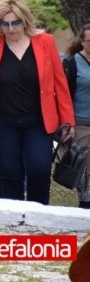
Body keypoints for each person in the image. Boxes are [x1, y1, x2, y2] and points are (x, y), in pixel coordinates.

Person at [0, 0, 75, 204]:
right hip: (4, 121)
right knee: (11, 173)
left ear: (25, 21)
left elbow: (59, 84)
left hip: (38, 120)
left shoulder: (44, 42)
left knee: (39, 169)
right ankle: (14, 222)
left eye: (15, 23)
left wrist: (68, 119)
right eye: (5, 24)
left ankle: (39, 216)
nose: (11, 29)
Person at [63, 23, 90, 208]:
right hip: (81, 123)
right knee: (85, 168)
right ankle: (85, 204)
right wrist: (67, 123)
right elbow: (64, 95)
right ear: (82, 41)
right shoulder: (72, 63)